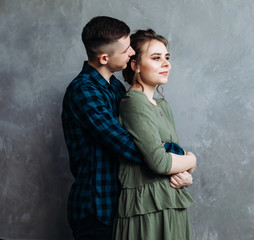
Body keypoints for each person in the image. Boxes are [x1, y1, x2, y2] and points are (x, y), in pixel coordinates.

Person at [61, 16, 192, 240]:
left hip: (124, 204)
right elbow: (129, 146)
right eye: (126, 50)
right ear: (104, 58)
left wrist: (181, 170)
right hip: (97, 208)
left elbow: (148, 144)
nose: (132, 52)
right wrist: (182, 158)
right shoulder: (84, 92)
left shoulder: (116, 90)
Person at [112, 29, 197, 240]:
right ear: (135, 65)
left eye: (167, 58)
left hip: (170, 202)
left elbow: (173, 153)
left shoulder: (161, 104)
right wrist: (192, 159)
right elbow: (160, 162)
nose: (166, 64)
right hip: (147, 210)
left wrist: (185, 169)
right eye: (156, 58)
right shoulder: (133, 102)